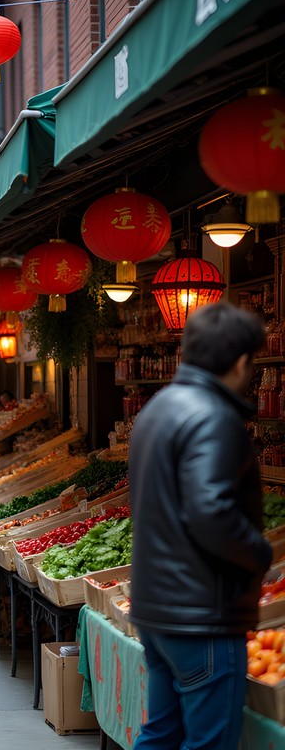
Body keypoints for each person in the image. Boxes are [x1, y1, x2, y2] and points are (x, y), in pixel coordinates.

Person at [129, 303, 271, 749]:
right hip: (201, 616)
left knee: (160, 734)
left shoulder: (157, 410)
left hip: (157, 608)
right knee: (206, 744)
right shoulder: (214, 416)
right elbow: (211, 511)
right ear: (242, 361)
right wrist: (260, 553)